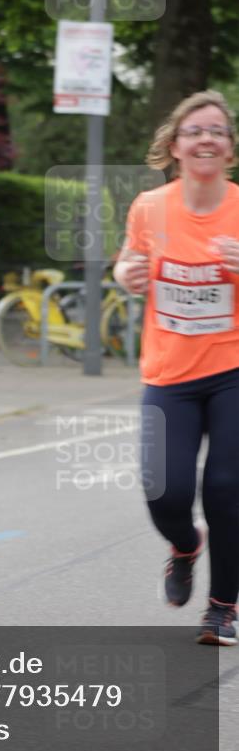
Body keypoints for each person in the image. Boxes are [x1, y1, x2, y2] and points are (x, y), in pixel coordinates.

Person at [113, 90, 239, 646]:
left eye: (217, 130)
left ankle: (221, 609)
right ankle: (185, 545)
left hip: (234, 369)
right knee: (163, 491)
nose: (206, 138)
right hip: (169, 373)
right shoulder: (150, 207)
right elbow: (128, 260)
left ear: (230, 149)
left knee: (227, 487)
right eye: (195, 131)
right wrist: (125, 275)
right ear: (175, 146)